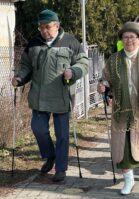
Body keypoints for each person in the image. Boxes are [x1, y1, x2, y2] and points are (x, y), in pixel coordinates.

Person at [11, 9, 88, 182]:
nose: (44, 31)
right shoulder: (33, 43)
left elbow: (83, 63)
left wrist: (73, 71)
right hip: (39, 96)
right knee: (38, 129)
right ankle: (50, 156)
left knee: (62, 135)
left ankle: (61, 169)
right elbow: (26, 66)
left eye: (47, 27)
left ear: (57, 25)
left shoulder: (70, 41)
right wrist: (20, 77)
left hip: (62, 96)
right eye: (41, 28)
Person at [97, 21, 139, 195]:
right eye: (125, 37)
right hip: (121, 110)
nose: (129, 40)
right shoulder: (113, 59)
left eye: (132, 37)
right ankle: (129, 179)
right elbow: (106, 78)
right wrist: (103, 85)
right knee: (122, 149)